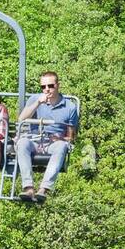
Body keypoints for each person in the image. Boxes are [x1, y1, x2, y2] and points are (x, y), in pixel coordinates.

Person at [16, 71, 78, 200]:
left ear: (58, 85)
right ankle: (28, 188)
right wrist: (38, 103)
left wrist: (61, 138)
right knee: (22, 143)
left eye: (50, 86)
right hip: (34, 139)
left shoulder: (70, 107)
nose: (47, 89)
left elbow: (71, 136)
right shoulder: (35, 99)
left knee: (61, 147)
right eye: (43, 87)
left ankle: (44, 189)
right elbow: (21, 119)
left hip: (53, 142)